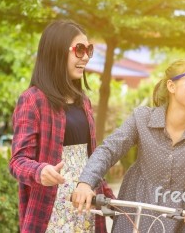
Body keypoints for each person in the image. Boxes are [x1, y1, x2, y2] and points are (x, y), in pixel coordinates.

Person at [72, 58, 185, 232]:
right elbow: (109, 150)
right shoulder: (142, 118)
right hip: (138, 210)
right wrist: (85, 183)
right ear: (171, 86)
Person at [9, 20, 115, 233]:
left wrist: (109, 197)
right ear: (57, 52)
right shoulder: (32, 100)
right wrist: (40, 170)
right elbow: (17, 162)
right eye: (79, 49)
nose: (85, 56)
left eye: (89, 50)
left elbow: (90, 158)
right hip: (52, 210)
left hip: (86, 208)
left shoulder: (83, 101)